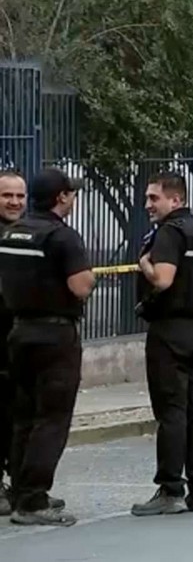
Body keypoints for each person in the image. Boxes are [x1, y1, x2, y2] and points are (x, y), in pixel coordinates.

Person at [0, 168, 92, 526]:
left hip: (19, 332)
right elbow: (81, 286)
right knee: (52, 419)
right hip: (55, 335)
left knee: (24, 416)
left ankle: (21, 491)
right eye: (70, 193)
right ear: (61, 198)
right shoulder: (63, 237)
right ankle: (34, 499)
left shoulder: (12, 234)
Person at [131, 171, 193, 516]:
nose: (148, 205)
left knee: (171, 411)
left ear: (176, 199)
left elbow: (164, 280)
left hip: (169, 331)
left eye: (154, 198)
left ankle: (170, 489)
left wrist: (146, 265)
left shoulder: (169, 234)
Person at [0, 170, 26, 517]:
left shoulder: (25, 233)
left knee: (17, 416)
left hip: (19, 339)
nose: (15, 202)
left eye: (19, 196)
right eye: (7, 195)